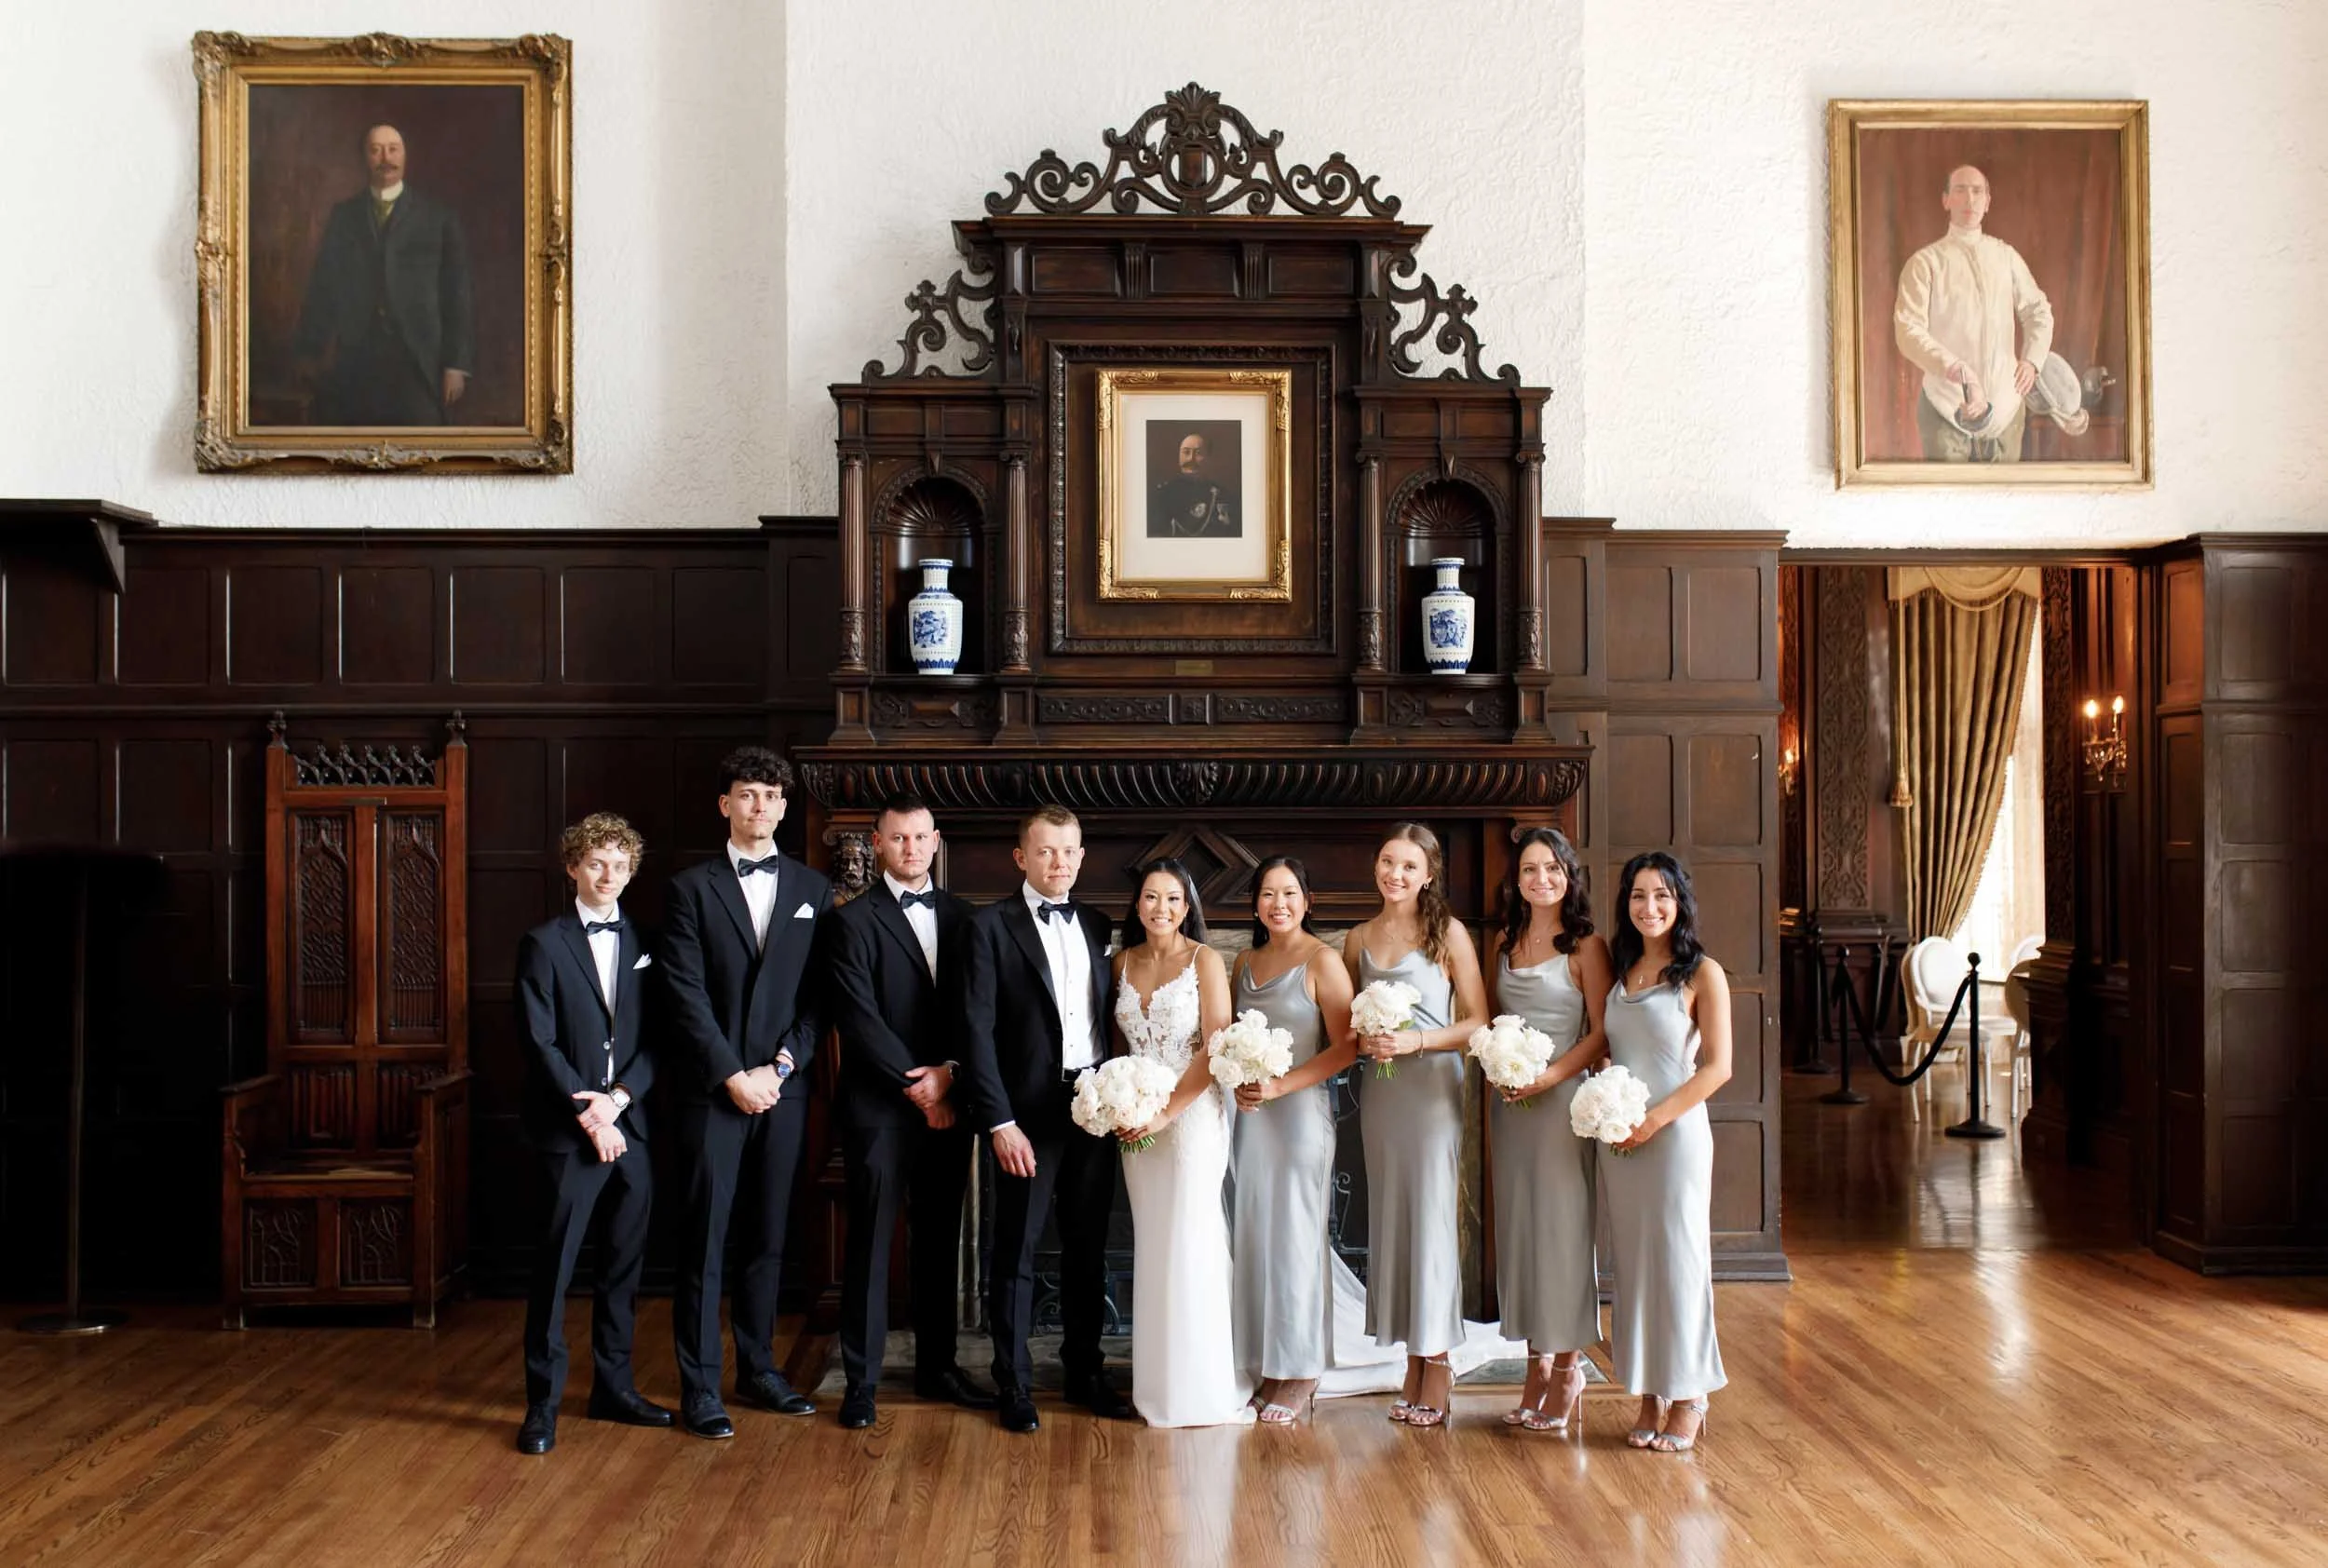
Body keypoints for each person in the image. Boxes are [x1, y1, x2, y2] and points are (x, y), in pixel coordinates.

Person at [662, 747, 832, 1440]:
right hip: (715, 1090)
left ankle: (758, 1369)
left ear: (785, 808)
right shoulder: (688, 889)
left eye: (770, 794)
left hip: (783, 1092)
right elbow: (684, 993)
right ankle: (700, 1385)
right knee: (705, 1240)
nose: (759, 805)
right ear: (725, 804)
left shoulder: (813, 891)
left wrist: (783, 1068)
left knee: (767, 1236)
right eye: (747, 794)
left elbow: (822, 996)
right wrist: (733, 1074)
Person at [954, 805, 1132, 1433]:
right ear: (1021, 857)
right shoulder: (988, 927)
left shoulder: (1097, 922)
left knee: (1089, 1247)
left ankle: (1085, 1371)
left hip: (1093, 1109)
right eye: (1047, 851)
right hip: (1025, 1114)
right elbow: (975, 1030)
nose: (1060, 861)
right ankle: (1015, 1382)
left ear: (1083, 856)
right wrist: (999, 1121)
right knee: (1017, 1250)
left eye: (1070, 851)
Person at [822, 795, 995, 1429]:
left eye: (921, 838)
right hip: (879, 1110)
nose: (911, 849)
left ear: (936, 841)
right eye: (898, 839)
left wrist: (950, 1076)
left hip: (952, 1101)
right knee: (871, 1243)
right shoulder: (851, 920)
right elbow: (857, 1017)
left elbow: (978, 1012)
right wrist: (916, 1086)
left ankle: (938, 1367)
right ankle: (861, 1381)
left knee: (940, 1239)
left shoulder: (965, 918)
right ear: (877, 843)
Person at [512, 814, 671, 1454]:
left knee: (623, 1269)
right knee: (555, 1271)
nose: (608, 876)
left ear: (632, 872)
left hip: (630, 1126)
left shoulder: (649, 941)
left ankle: (613, 1387)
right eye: (596, 863)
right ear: (573, 867)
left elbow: (662, 1037)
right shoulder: (543, 944)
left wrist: (619, 1101)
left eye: (620, 865)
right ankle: (541, 1404)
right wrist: (589, 1112)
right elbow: (538, 1040)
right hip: (568, 1132)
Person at [1343, 822, 1487, 1429]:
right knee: (1395, 1223)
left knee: (1430, 1221)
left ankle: (1439, 1361)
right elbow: (1346, 1025)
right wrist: (1367, 1041)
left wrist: (1418, 1041)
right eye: (1386, 862)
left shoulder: (1446, 933)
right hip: (1381, 1094)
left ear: (1428, 875)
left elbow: (1479, 1020)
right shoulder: (1357, 939)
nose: (1394, 874)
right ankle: (1411, 1358)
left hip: (1431, 1090)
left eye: (1407, 865)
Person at [1108, 858, 1251, 1427]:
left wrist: (1166, 1112)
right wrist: (1122, 1103)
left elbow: (1215, 1047)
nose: (1160, 908)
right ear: (1137, 905)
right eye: (1149, 897)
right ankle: (1157, 1384)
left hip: (1190, 1120)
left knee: (1191, 1239)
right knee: (1155, 1242)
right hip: (1137, 1124)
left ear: (1187, 906)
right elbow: (1118, 1046)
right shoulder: (1122, 961)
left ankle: (1203, 1386)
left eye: (1171, 898)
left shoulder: (1204, 960)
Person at [1601, 851, 1732, 1454]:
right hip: (1621, 1139)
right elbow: (1613, 1049)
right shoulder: (1621, 969)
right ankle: (1650, 1389)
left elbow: (1719, 1069)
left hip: (1674, 1137)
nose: (1649, 907)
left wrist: (1655, 1119)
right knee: (1634, 1267)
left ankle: (1689, 1394)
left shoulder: (1703, 973)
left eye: (1661, 895)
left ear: (1679, 902)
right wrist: (1605, 1101)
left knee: (1679, 1263)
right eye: (1638, 896)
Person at [1483, 828, 1613, 1434]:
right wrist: (1501, 1067)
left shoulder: (1586, 946)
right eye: (1530, 870)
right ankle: (1534, 1360)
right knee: (1523, 1233)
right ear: (1517, 880)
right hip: (1511, 1109)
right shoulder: (1505, 942)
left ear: (1569, 876)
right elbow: (1492, 1021)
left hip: (1561, 1106)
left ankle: (1568, 1367)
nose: (1541, 880)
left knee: (1562, 1234)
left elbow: (1602, 1032)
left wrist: (1550, 1076)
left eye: (1553, 869)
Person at [1228, 857, 1356, 1426]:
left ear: (1307, 900)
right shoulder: (1243, 962)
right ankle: (1269, 1363)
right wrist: (1242, 1085)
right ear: (1255, 904)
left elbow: (1345, 1047)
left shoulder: (1323, 961)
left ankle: (1302, 1370)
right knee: (1256, 1236)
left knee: (1297, 1240)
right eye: (1267, 894)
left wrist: (1280, 1083)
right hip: (1251, 1120)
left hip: (1300, 1117)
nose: (1278, 904)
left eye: (1289, 893)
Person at [291, 123, 475, 426]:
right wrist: (309, 350)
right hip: (356, 358)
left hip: (418, 359)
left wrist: (455, 365)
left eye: (393, 149)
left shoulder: (437, 218)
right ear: (364, 157)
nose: (384, 158)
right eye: (375, 150)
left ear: (405, 155)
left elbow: (457, 295)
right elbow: (323, 286)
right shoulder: (344, 216)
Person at [1892, 164, 2056, 463]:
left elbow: (2038, 311)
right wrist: (1958, 369)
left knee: (2006, 506)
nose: (1970, 200)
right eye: (1960, 190)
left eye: (1977, 191)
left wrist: (2032, 361)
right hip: (1947, 411)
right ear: (1946, 200)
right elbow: (1908, 331)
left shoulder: (2005, 256)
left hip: (2007, 414)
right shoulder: (1925, 262)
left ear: (1987, 202)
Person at [1146, 431, 1239, 537]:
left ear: (1208, 458)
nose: (1191, 459)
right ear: (1179, 456)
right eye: (1186, 452)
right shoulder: (1161, 494)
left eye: (1198, 453)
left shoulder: (1224, 496)